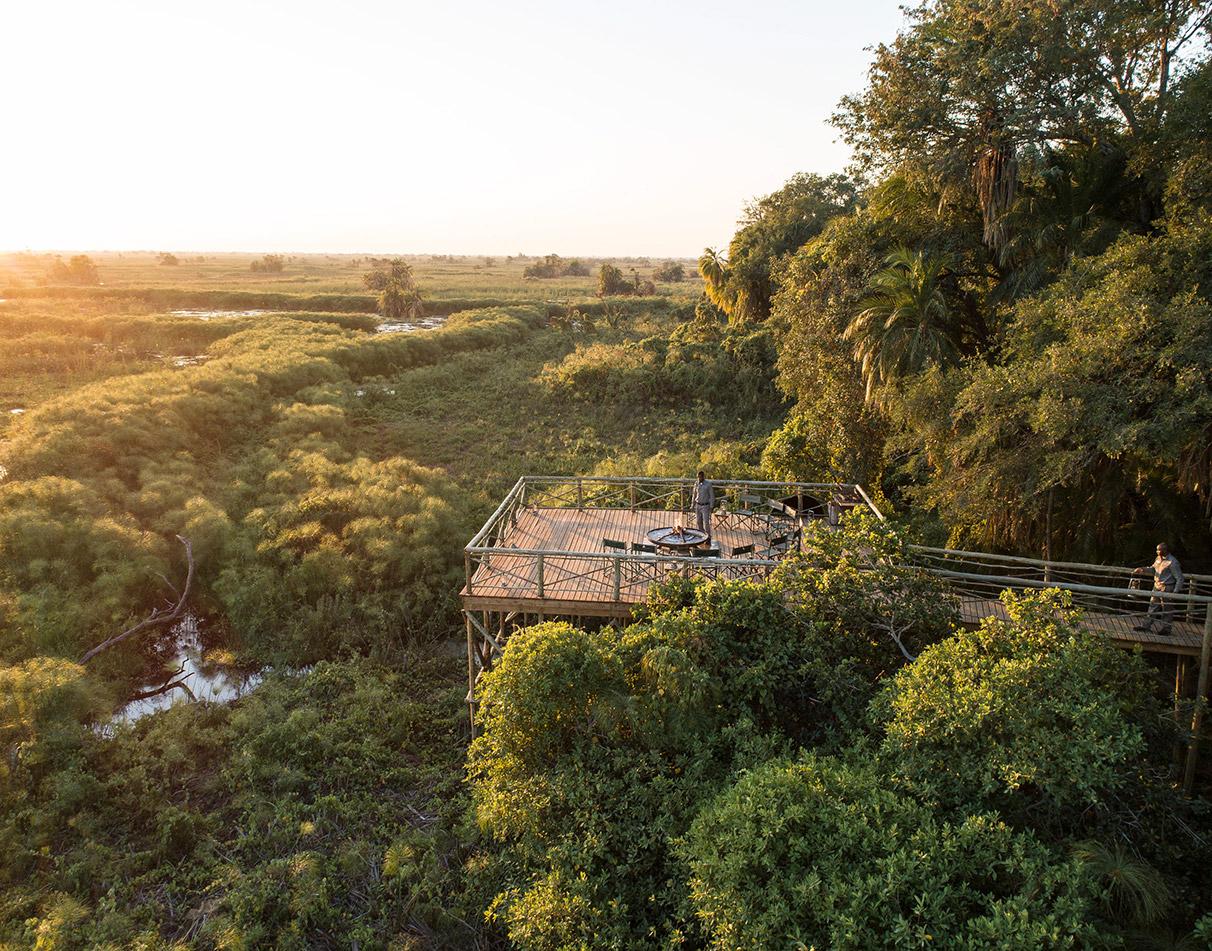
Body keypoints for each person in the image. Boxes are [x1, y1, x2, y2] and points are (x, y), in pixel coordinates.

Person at [1133, 542, 1184, 636]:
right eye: (1157, 549)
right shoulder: (1158, 559)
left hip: (1167, 587)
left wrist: (1175, 592)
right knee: (1152, 606)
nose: (1157, 551)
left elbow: (1179, 578)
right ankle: (1145, 626)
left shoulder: (1172, 562)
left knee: (1167, 609)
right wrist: (1142, 569)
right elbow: (1153, 569)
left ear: (1164, 550)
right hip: (1157, 586)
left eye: (1159, 549)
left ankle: (1166, 629)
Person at [692, 470, 714, 541]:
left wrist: (711, 506)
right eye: (698, 477)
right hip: (697, 505)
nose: (699, 479)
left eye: (700, 477)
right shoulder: (696, 483)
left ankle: (708, 537)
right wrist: (692, 504)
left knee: (706, 523)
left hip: (705, 506)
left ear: (703, 477)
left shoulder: (708, 484)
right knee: (698, 521)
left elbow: (712, 496)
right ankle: (701, 536)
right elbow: (694, 494)